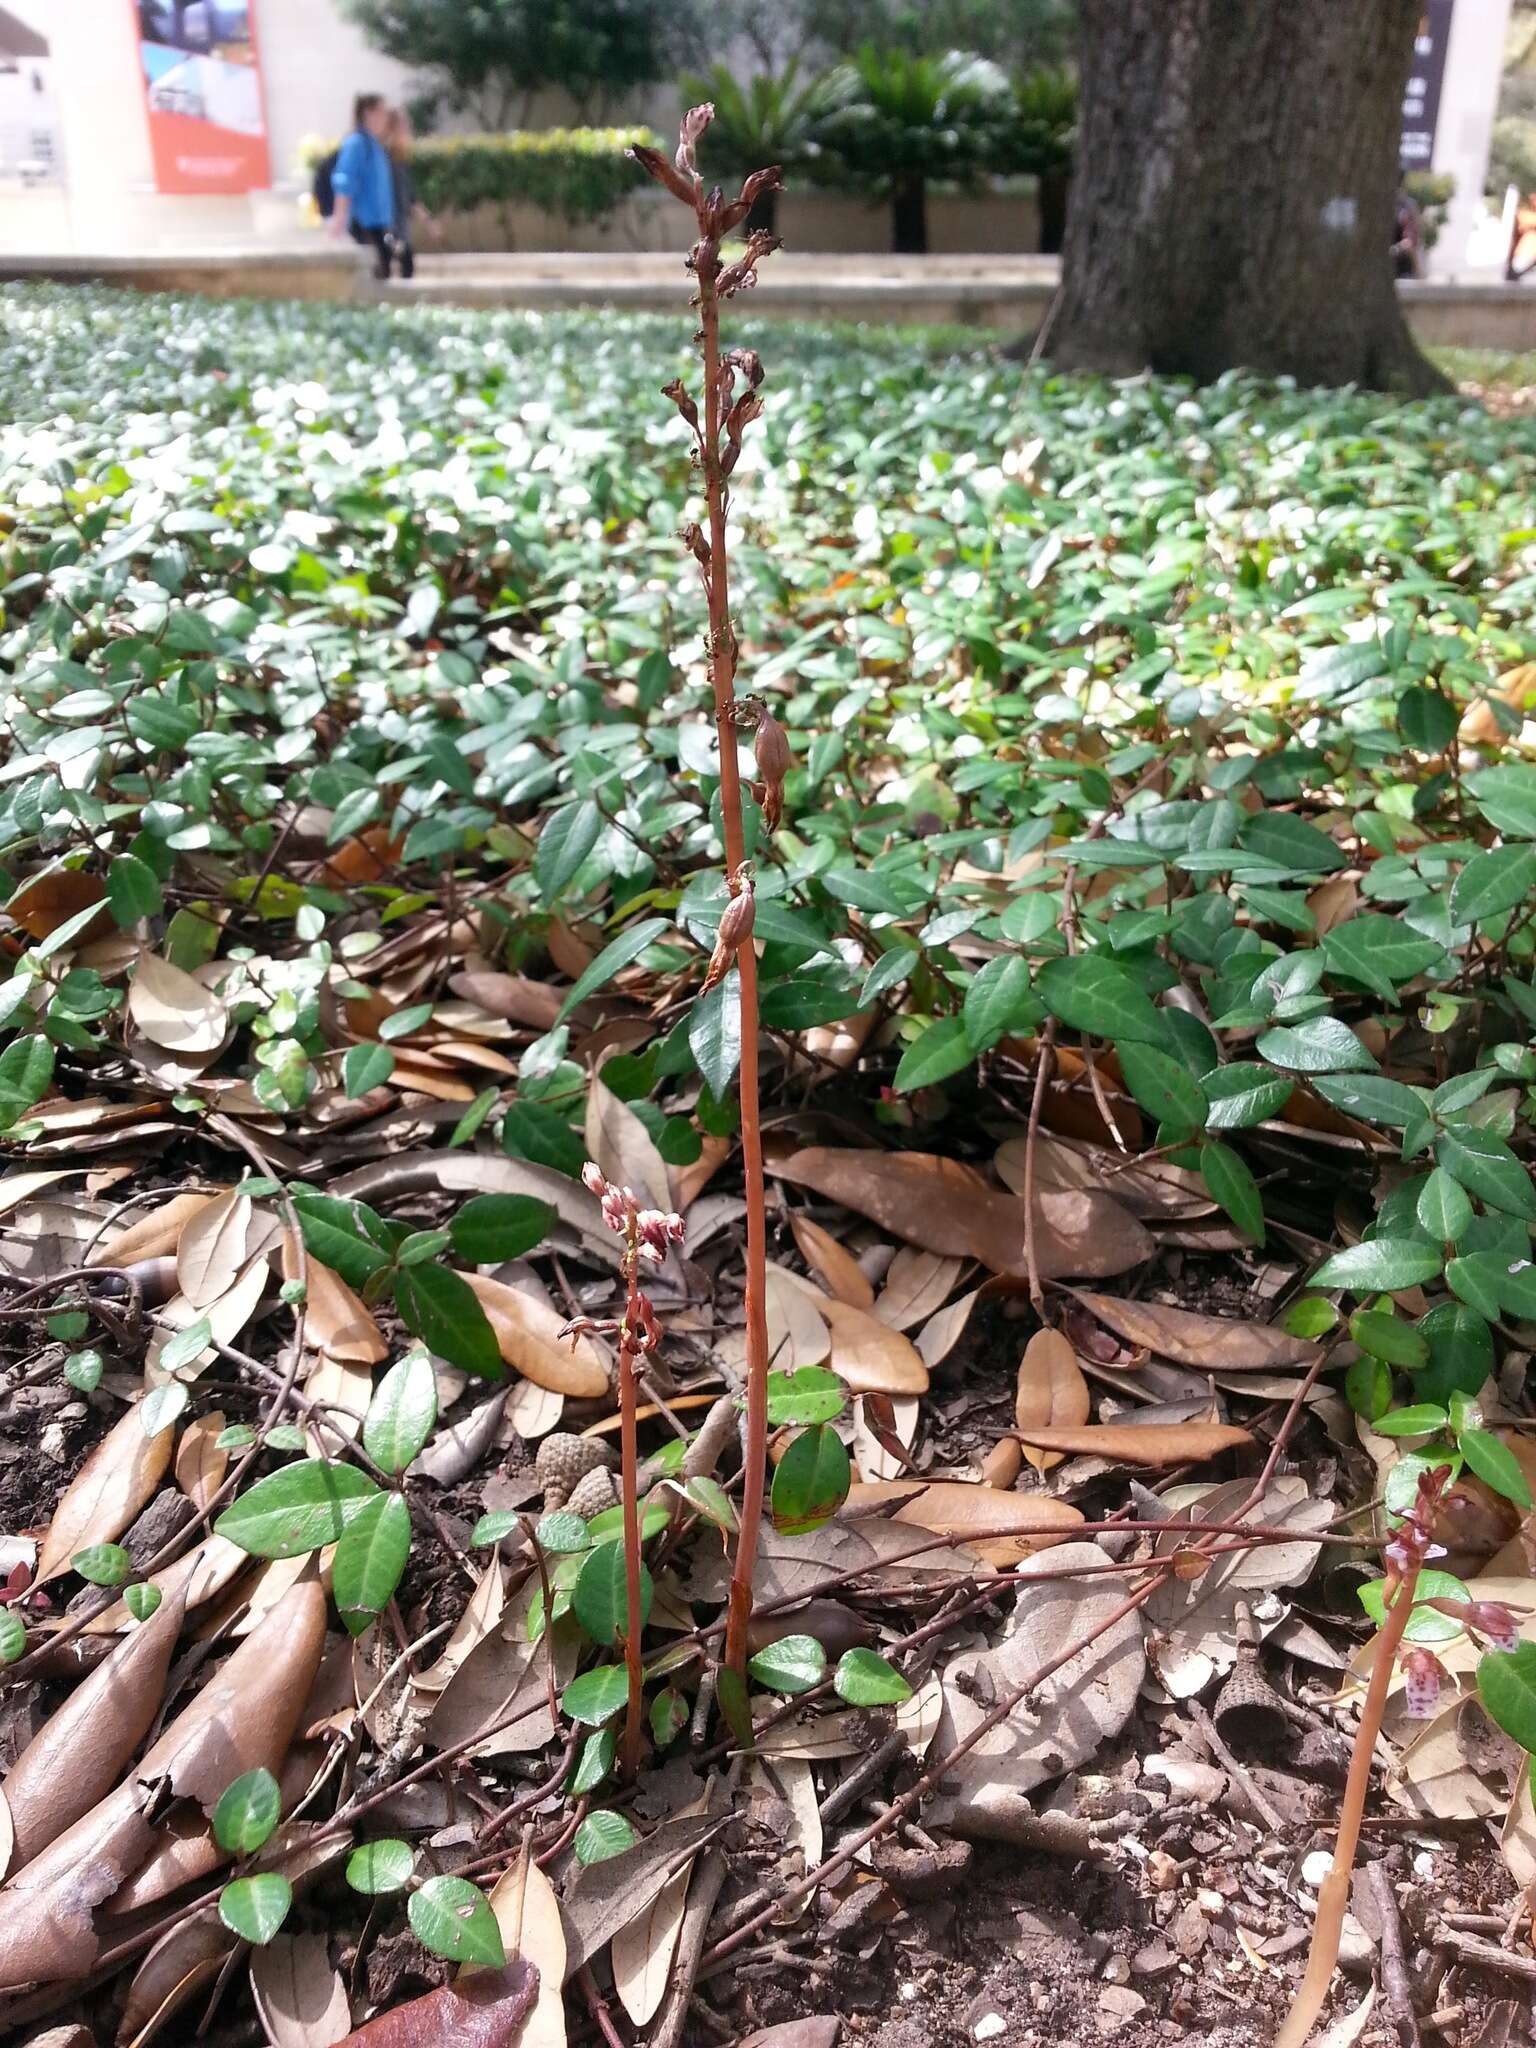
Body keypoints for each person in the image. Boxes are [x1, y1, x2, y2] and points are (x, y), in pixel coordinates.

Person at [329, 93, 398, 280]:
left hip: (379, 224)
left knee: (384, 275)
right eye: (382, 112)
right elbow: (345, 180)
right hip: (364, 225)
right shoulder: (357, 143)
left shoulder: (374, 145)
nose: (386, 118)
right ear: (368, 113)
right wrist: (340, 216)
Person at [383, 106, 435, 282]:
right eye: (404, 127)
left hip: (401, 230)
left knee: (407, 271)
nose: (408, 132)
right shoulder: (386, 162)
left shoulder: (400, 160)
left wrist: (429, 222)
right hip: (391, 231)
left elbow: (410, 197)